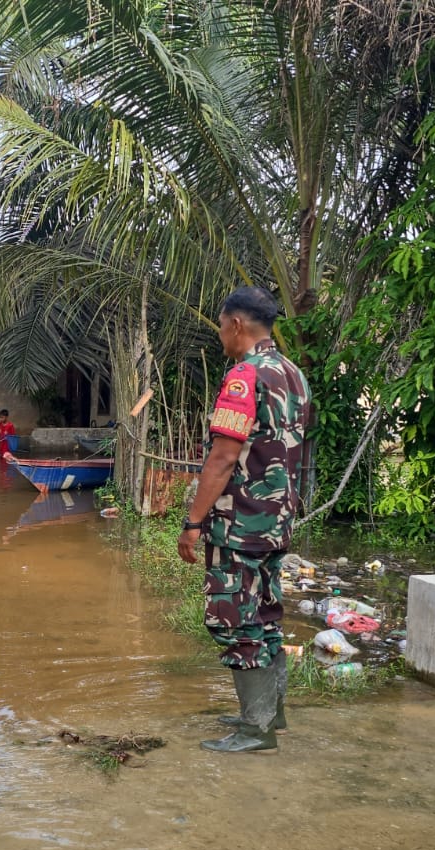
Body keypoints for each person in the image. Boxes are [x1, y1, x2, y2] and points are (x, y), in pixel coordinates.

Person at [176, 286, 313, 753]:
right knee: (267, 614)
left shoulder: (245, 376)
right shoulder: (292, 374)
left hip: (240, 523)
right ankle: (269, 716)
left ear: (237, 325)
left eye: (220, 326)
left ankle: (255, 732)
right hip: (277, 519)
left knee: (235, 618)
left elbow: (223, 457)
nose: (220, 335)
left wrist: (193, 522)